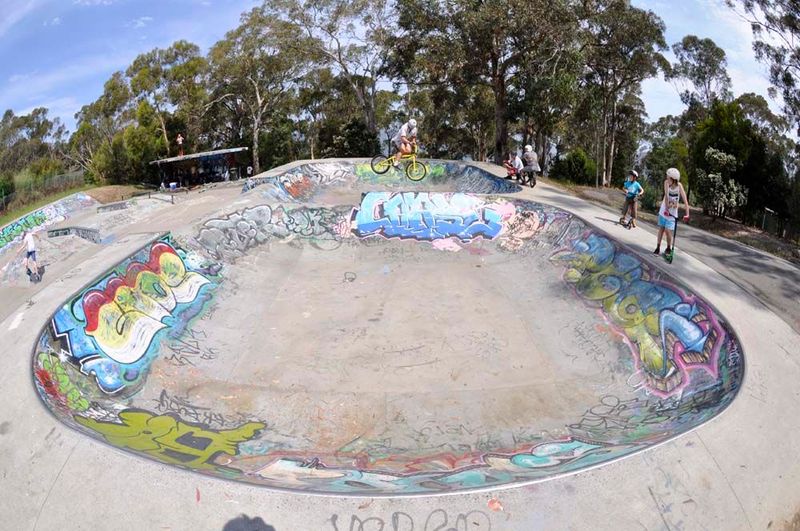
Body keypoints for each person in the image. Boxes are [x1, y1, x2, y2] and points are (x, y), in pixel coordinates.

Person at [654, 167, 690, 255]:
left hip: (673, 213)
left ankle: (668, 247)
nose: (667, 178)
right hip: (664, 210)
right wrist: (667, 208)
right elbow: (666, 196)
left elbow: (685, 200)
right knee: (661, 228)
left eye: (668, 177)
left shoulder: (679, 186)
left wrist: (687, 214)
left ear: (673, 179)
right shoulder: (666, 183)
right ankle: (658, 247)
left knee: (668, 230)